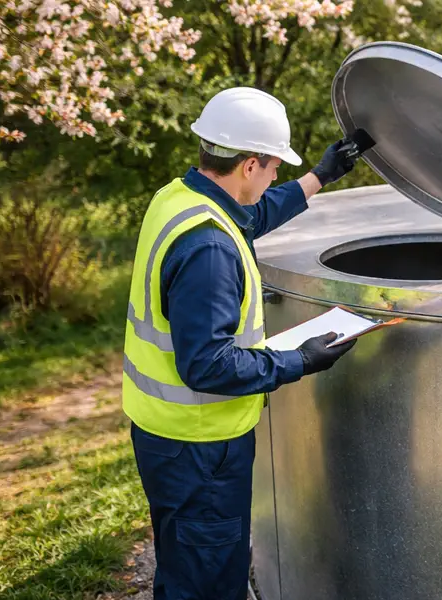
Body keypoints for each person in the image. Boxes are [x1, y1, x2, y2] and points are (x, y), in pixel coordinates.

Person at [121, 87, 358, 599]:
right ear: (250, 164)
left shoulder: (181, 198)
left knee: (186, 564)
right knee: (207, 583)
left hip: (168, 437)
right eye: (273, 166)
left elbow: (252, 213)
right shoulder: (208, 247)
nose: (275, 175)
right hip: (200, 448)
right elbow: (207, 366)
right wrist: (299, 360)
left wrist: (321, 175)